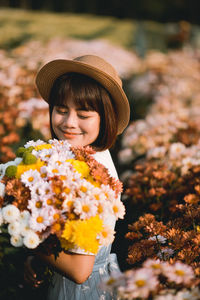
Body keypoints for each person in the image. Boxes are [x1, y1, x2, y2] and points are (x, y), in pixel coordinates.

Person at [24, 54, 130, 299]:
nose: (69, 122)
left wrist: (22, 237)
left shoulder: (94, 177)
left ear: (106, 119)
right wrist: (39, 260)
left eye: (83, 115)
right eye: (61, 110)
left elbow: (80, 270)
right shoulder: (79, 156)